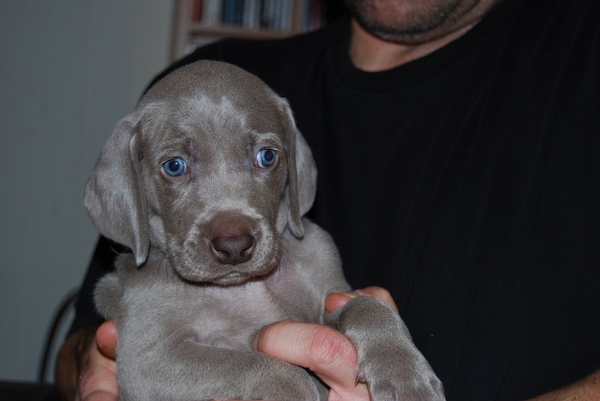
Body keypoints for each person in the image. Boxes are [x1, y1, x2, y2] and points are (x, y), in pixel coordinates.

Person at [55, 0, 600, 399]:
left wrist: (377, 336)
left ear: (292, 165)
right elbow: (91, 349)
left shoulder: (581, 49)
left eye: (264, 158)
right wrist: (97, 367)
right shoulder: (191, 89)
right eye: (175, 167)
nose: (232, 228)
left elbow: (344, 309)